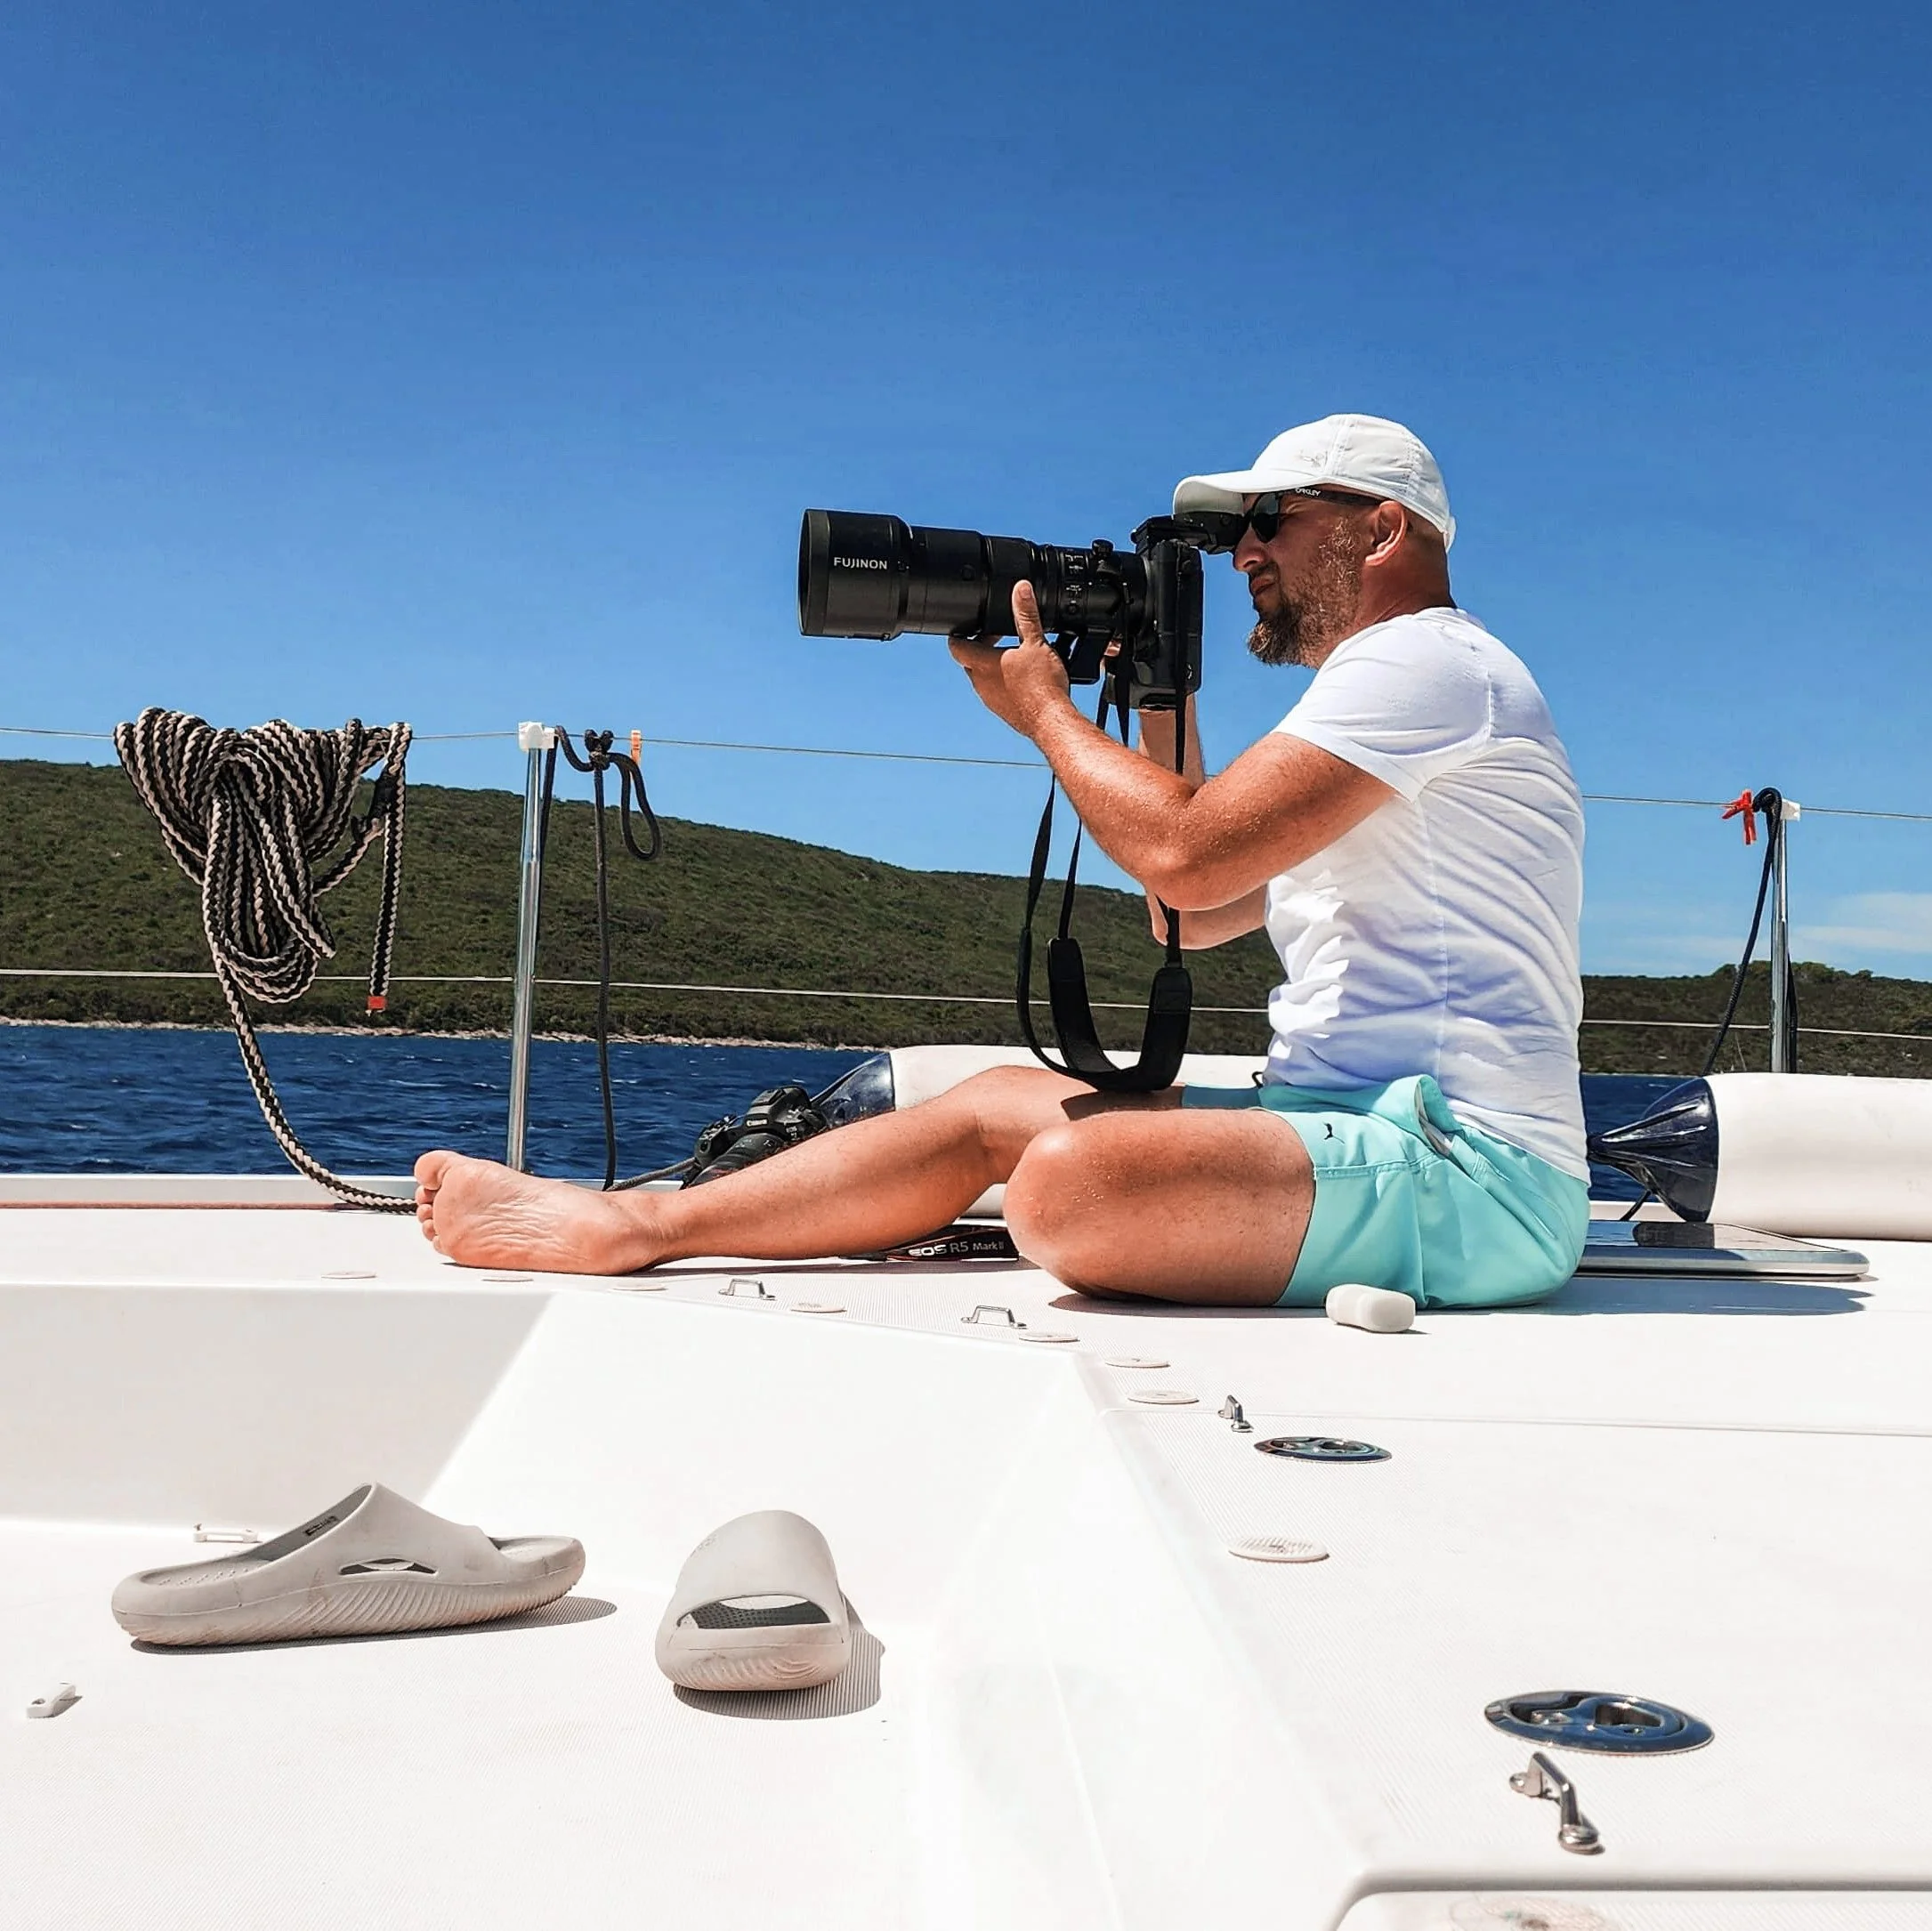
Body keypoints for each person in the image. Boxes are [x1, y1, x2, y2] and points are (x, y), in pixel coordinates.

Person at [416, 414, 1589, 1308]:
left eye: (1267, 520)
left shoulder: (1426, 666)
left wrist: (1045, 716)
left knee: (1066, 1186)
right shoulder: (1386, 697)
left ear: (1379, 529)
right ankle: (632, 1228)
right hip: (1353, 1123)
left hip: (1470, 1172)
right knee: (991, 1106)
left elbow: (1180, 855)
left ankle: (634, 1229)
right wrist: (1154, 693)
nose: (1241, 552)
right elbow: (1194, 914)